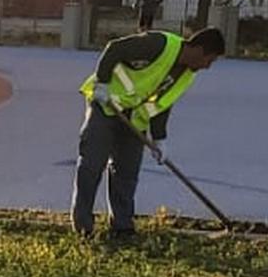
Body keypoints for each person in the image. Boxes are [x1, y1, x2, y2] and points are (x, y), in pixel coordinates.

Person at [72, 27, 225, 238]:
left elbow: (162, 104)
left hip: (135, 121)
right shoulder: (158, 44)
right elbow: (114, 49)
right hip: (106, 106)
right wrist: (103, 83)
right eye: (210, 60)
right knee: (91, 165)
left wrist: (160, 139)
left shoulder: (187, 75)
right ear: (199, 50)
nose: (208, 66)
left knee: (126, 175)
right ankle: (83, 228)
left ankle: (122, 228)